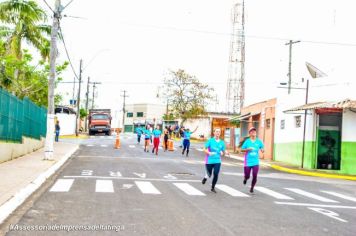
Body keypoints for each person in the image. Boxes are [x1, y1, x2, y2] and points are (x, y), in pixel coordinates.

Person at [202, 128, 228, 193]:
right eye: (216, 131)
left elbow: (223, 152)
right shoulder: (210, 141)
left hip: (217, 161)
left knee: (216, 174)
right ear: (214, 133)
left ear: (220, 133)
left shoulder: (222, 142)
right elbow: (204, 149)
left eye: (219, 132)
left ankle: (213, 187)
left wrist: (224, 153)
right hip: (209, 160)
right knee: (209, 174)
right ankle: (205, 177)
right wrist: (209, 153)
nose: (218, 133)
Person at [240, 127, 264, 194]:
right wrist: (248, 149)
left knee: (255, 175)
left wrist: (262, 150)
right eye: (252, 131)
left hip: (255, 162)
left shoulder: (259, 141)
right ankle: (245, 178)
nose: (254, 132)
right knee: (247, 175)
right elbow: (242, 149)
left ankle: (252, 188)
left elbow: (262, 147)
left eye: (254, 131)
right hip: (248, 161)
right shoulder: (247, 141)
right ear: (250, 133)